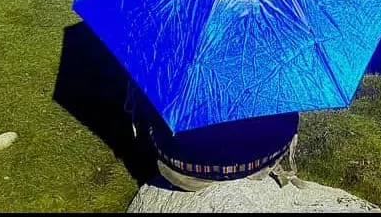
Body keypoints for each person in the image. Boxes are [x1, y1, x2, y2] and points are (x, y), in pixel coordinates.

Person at [126, 81, 299, 190]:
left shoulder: (173, 40)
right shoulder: (274, 45)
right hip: (260, 157)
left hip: (182, 163)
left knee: (145, 86)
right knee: (289, 99)